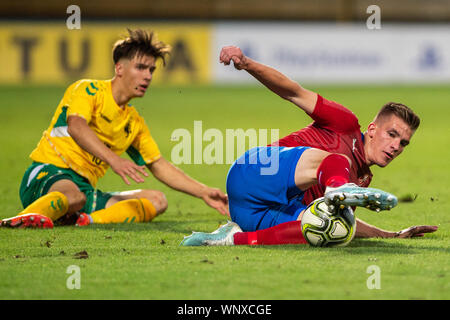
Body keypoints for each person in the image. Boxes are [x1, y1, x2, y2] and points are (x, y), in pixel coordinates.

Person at [181, 46, 438, 246]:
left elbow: (344, 222)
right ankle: (336, 189)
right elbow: (292, 92)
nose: (396, 146)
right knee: (336, 162)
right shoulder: (345, 124)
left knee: (330, 228)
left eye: (403, 142)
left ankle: (229, 239)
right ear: (372, 129)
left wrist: (392, 235)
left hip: (254, 215)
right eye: (392, 135)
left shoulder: (362, 179)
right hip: (254, 173)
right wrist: (246, 63)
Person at [0, 29, 229, 229]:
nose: (147, 76)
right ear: (119, 68)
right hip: (47, 174)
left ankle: (86, 221)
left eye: (151, 70)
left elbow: (158, 165)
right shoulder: (88, 90)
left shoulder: (133, 122)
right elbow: (76, 126)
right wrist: (114, 160)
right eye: (140, 67)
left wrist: (204, 192)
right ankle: (25, 218)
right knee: (73, 195)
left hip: (84, 191)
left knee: (157, 200)